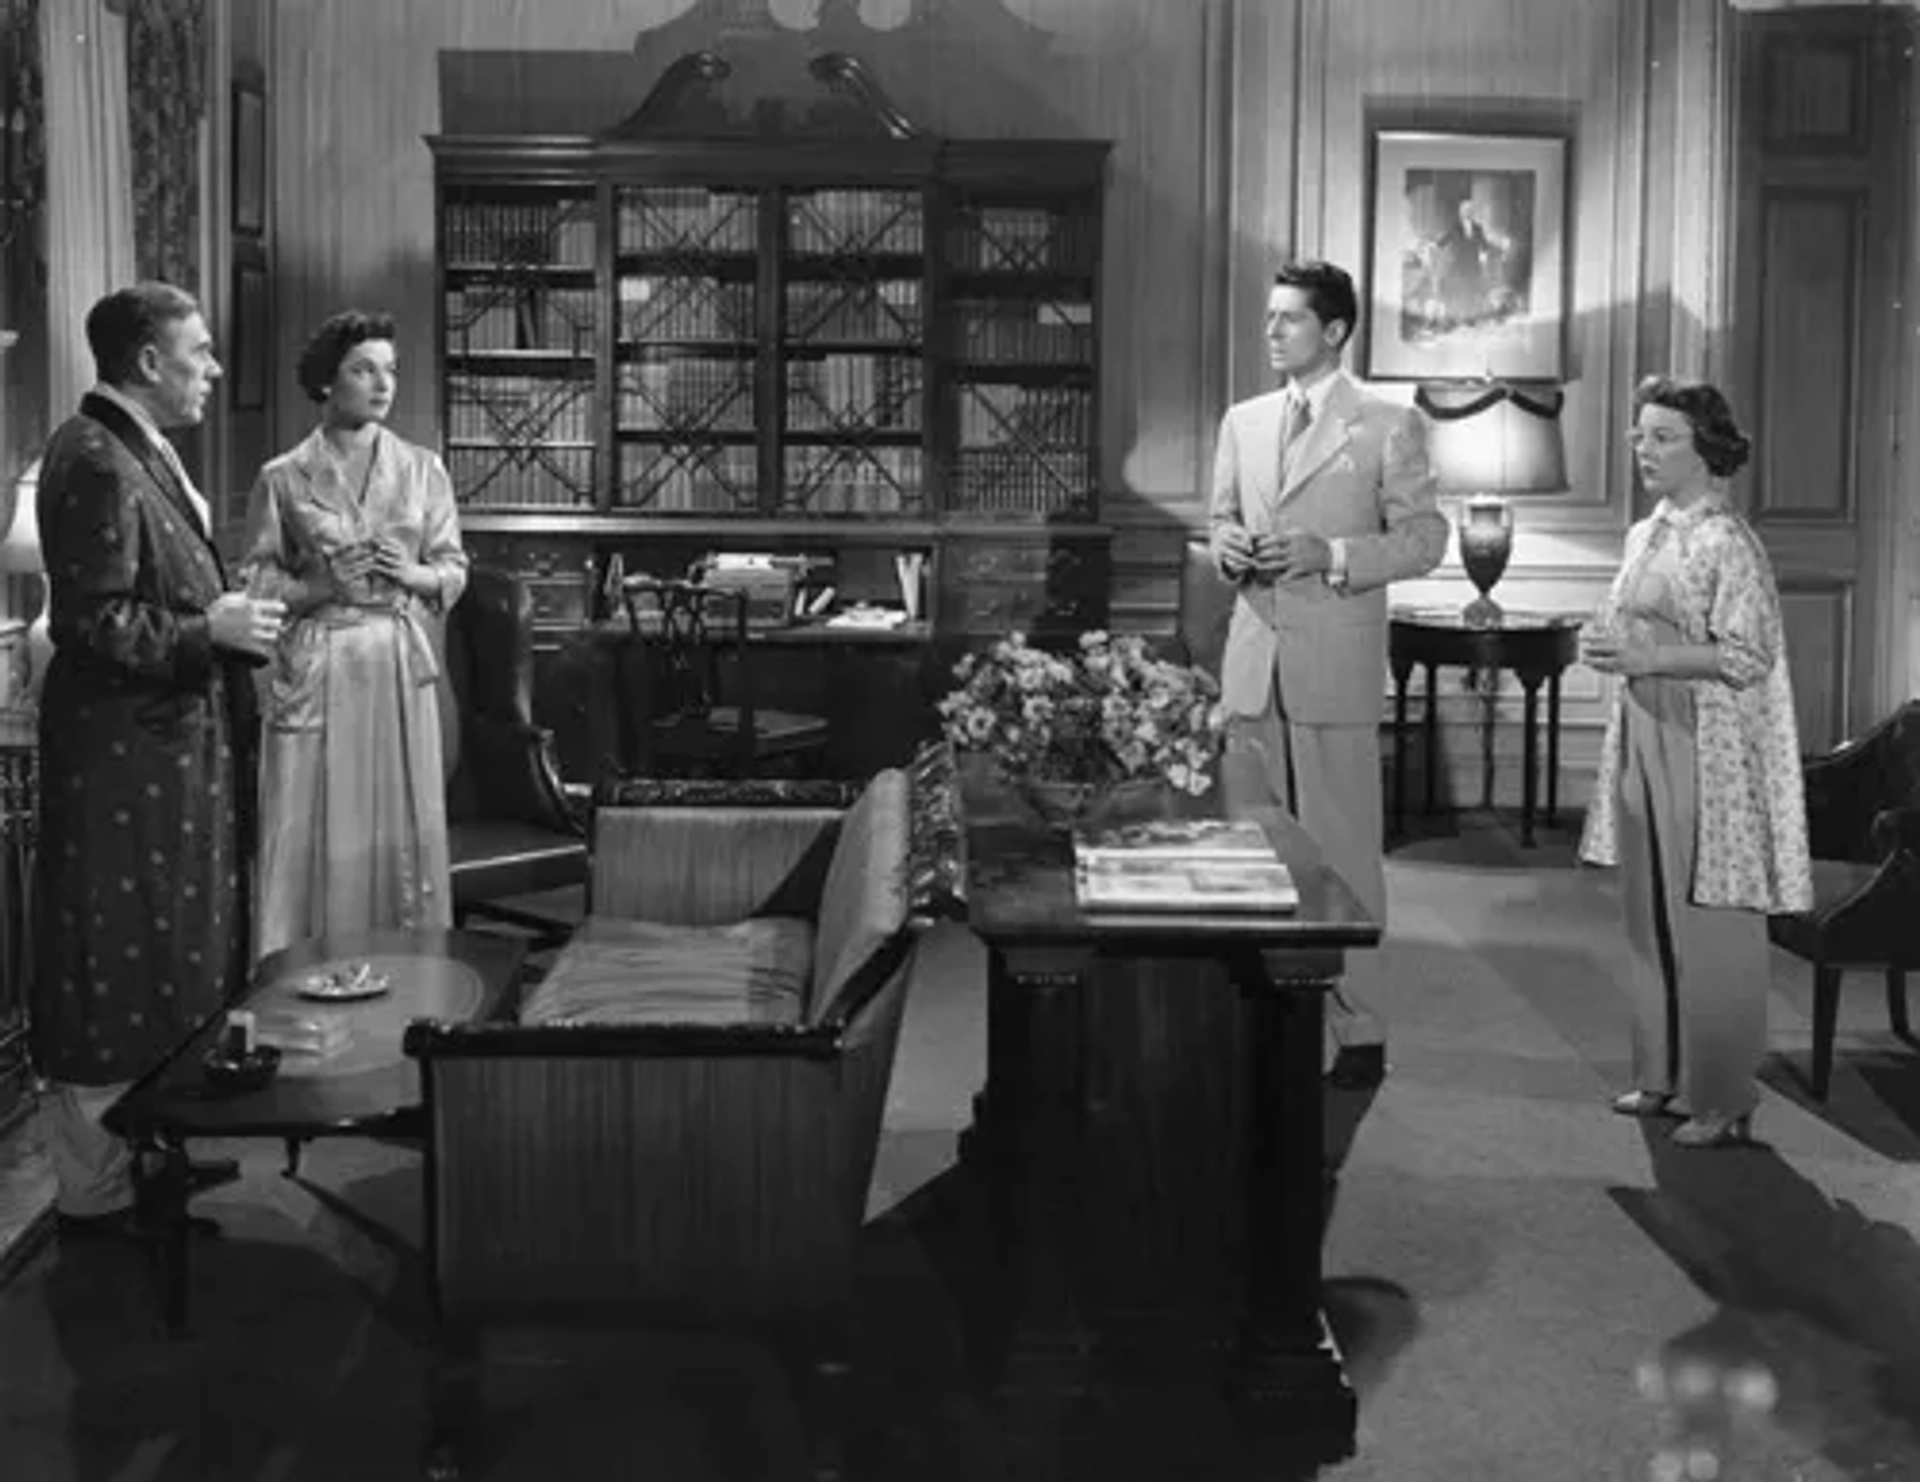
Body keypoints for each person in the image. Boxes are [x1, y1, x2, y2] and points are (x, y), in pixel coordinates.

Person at [31, 282, 286, 1239]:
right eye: (202, 352)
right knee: (114, 959)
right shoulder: (91, 454)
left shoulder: (135, 447)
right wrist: (206, 630)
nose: (216, 369)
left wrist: (225, 628)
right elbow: (89, 621)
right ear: (148, 360)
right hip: (122, 768)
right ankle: (98, 1190)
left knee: (168, 955)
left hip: (163, 759)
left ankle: (151, 1152)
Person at [1209, 259, 1448, 1086]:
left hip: (1335, 665)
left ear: (1335, 330)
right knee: (1256, 852)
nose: (1272, 332)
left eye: (1290, 319)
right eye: (1270, 318)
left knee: (1343, 850)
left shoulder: (1387, 424)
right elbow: (1219, 522)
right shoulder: (1242, 421)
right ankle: (1262, 1015)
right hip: (1255, 662)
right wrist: (1228, 550)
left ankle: (1361, 1026)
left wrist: (1332, 554)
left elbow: (1425, 542)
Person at [1579, 375, 1809, 1148]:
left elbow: (1749, 654)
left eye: (1661, 437)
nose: (1643, 449)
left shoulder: (1728, 541)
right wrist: (1605, 643)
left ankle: (1722, 1092)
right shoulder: (1648, 532)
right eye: (1639, 435)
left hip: (1704, 738)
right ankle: (1662, 1073)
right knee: (1649, 909)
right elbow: (1630, 621)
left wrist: (1653, 652)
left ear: (1705, 450)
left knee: (1712, 921)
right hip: (1644, 726)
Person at [241, 310, 468, 961]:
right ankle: (301, 978)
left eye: (390, 370)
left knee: (401, 830)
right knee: (310, 828)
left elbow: (455, 569)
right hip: (320, 663)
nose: (381, 384)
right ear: (325, 383)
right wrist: (318, 586)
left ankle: (409, 978)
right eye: (363, 369)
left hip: (398, 662)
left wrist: (418, 573)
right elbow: (256, 586)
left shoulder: (423, 470)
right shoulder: (283, 476)